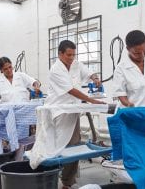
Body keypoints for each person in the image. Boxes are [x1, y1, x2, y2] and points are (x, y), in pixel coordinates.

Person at [45, 40, 104, 189]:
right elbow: (70, 90)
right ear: (60, 54)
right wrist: (91, 100)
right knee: (58, 147)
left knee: (74, 145)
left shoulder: (76, 64)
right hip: (58, 112)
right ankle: (51, 177)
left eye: (73, 55)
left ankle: (67, 182)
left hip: (73, 111)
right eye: (68, 55)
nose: (71, 58)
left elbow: (88, 72)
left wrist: (95, 78)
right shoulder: (55, 69)